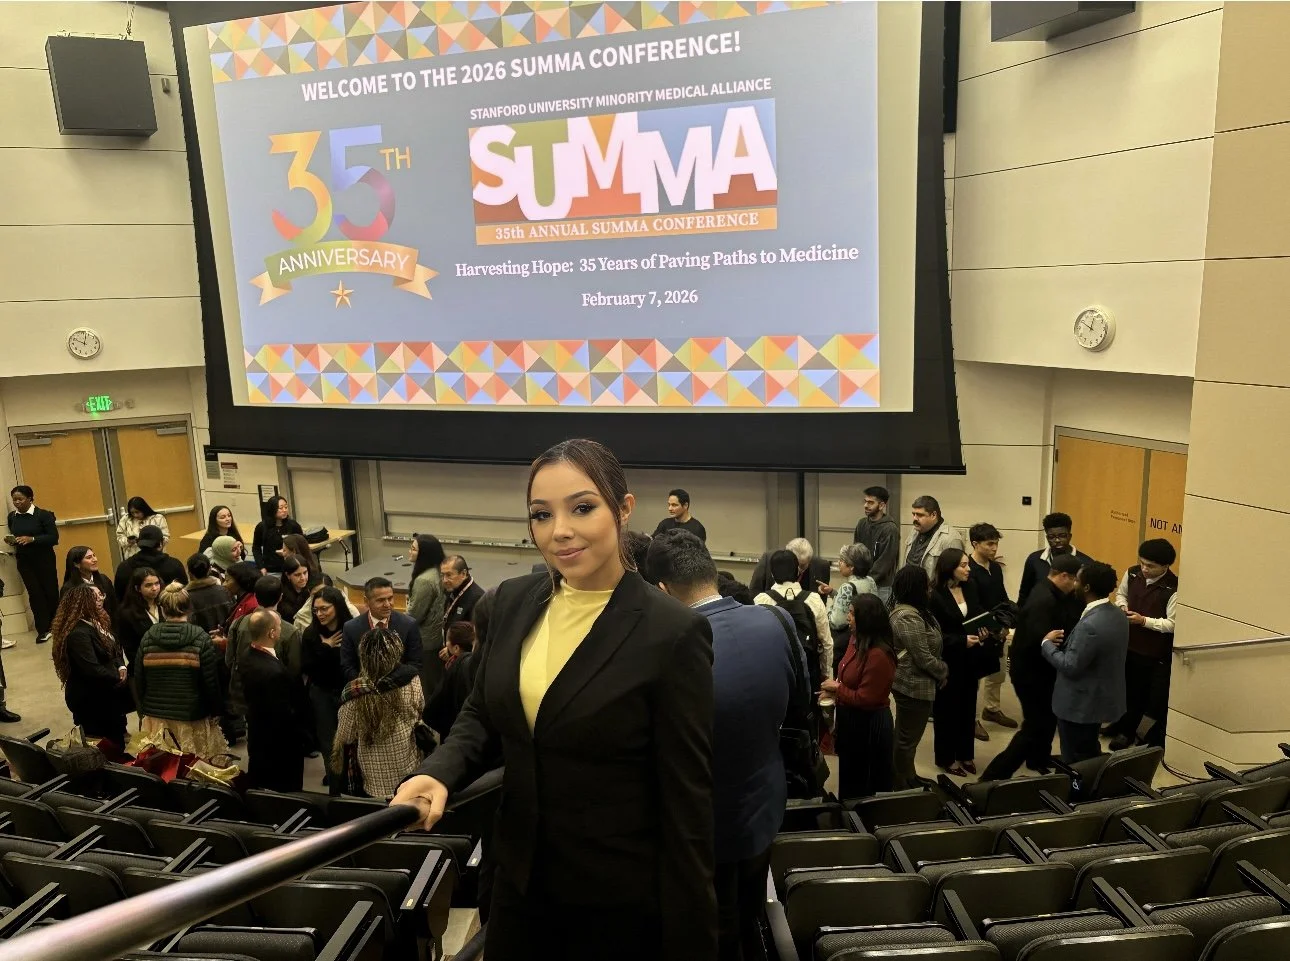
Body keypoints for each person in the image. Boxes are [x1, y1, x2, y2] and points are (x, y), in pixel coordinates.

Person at [391, 438, 716, 961]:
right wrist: (441, 770)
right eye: (542, 514)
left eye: (582, 508)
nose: (559, 530)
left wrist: (694, 938)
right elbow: (482, 708)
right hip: (516, 881)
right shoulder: (512, 601)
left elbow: (688, 804)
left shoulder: (672, 632)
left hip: (616, 902)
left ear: (624, 509)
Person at [647, 527, 797, 961]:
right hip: (765, 803)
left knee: (710, 929)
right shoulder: (776, 621)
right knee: (750, 914)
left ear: (662, 589)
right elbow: (798, 707)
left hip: (699, 824)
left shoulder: (667, 648)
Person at [980, 554, 1082, 781]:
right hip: (1032, 674)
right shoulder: (1044, 601)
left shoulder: (1050, 592)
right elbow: (1038, 641)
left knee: (1046, 720)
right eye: (1075, 580)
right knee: (1035, 725)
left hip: (1038, 671)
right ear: (1064, 576)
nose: (1076, 586)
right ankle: (994, 776)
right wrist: (1048, 641)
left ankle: (1038, 759)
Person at [1042, 561, 1129, 763]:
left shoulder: (1090, 625)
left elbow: (1070, 666)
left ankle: (1077, 793)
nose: (1074, 584)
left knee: (1075, 759)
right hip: (1100, 699)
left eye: (1077, 580)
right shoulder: (1117, 614)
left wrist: (1047, 644)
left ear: (1087, 587)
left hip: (1080, 705)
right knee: (1089, 749)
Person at [133, 583, 228, 758]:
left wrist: (143, 709)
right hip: (192, 715)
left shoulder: (148, 637)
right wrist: (217, 710)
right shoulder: (200, 638)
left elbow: (139, 678)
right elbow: (210, 682)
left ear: (163, 610)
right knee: (193, 768)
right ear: (188, 609)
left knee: (161, 766)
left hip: (156, 717)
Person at [927, 548, 998, 776]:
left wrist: (983, 631)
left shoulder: (970, 586)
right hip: (947, 660)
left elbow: (976, 615)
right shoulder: (934, 595)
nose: (968, 569)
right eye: (963, 566)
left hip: (970, 659)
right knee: (947, 711)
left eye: (968, 564)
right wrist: (960, 640)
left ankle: (965, 754)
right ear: (950, 568)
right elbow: (933, 635)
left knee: (968, 709)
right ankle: (947, 758)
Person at [334, 627, 425, 797]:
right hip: (409, 765)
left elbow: (345, 735)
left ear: (363, 655)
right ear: (396, 651)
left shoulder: (355, 692)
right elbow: (420, 710)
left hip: (374, 775)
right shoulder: (411, 679)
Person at [823, 593, 897, 800]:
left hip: (868, 727)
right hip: (852, 722)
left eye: (852, 614)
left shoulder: (879, 655)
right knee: (849, 778)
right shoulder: (855, 641)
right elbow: (847, 679)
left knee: (864, 785)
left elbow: (866, 699)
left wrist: (837, 689)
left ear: (866, 618)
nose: (848, 618)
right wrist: (834, 690)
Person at [1108, 539, 1179, 750]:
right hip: (1127, 644)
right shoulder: (1131, 573)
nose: (1145, 569)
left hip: (1153, 652)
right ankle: (1119, 724)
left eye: (1151, 566)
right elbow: (1121, 594)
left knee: (1141, 695)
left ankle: (1128, 733)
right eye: (1142, 563)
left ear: (1165, 566)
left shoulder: (1173, 588)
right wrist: (1122, 606)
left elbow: (1172, 624)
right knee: (1123, 689)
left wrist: (1143, 621)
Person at [889, 565, 947, 789]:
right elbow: (923, 657)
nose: (930, 590)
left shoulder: (919, 611)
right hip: (912, 685)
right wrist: (943, 670)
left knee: (907, 737)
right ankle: (901, 783)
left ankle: (907, 774)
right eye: (926, 586)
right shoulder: (907, 617)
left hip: (920, 682)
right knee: (906, 739)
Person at [51, 584, 128, 746]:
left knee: (118, 735)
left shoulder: (98, 621)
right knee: (106, 744)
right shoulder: (78, 634)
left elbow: (114, 649)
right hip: (91, 699)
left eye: (101, 595)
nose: (100, 599)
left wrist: (121, 666)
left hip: (107, 692)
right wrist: (118, 679)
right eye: (94, 597)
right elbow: (92, 669)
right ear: (82, 603)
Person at [239, 609, 306, 791]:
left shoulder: (247, 654)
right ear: (272, 633)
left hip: (257, 732)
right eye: (278, 626)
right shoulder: (273, 672)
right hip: (279, 744)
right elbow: (282, 713)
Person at [755, 549, 833, 694]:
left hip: (773, 675)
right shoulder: (813, 599)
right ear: (798, 572)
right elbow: (827, 642)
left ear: (772, 574)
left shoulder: (761, 600)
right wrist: (825, 674)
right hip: (808, 674)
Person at [227, 576, 304, 723]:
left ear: (255, 596)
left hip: (244, 693)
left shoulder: (238, 623)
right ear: (281, 597)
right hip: (278, 698)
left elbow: (229, 659)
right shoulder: (290, 631)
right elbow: (294, 669)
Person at [968, 523, 1017, 734]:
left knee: (997, 674)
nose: (994, 548)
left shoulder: (995, 568)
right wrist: (992, 626)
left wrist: (1006, 625)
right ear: (975, 544)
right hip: (979, 630)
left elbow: (1002, 598)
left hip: (997, 629)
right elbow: (973, 605)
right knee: (975, 678)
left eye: (996, 543)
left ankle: (992, 709)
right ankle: (972, 719)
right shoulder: (968, 569)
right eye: (990, 544)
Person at [302, 586, 351, 794]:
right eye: (316, 610)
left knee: (351, 741)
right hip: (321, 694)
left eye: (325, 609)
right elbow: (307, 667)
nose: (320, 614)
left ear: (337, 607)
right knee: (329, 744)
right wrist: (326, 648)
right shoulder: (311, 634)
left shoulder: (351, 629)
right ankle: (336, 788)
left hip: (347, 693)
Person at [341, 577, 423, 682]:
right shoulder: (351, 628)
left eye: (390, 598)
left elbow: (415, 664)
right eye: (380, 600)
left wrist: (387, 683)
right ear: (366, 601)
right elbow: (347, 666)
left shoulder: (409, 625)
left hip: (399, 687)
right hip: (366, 691)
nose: (387, 604)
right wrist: (367, 685)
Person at [6, 485, 59, 643]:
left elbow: (53, 538)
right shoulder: (12, 517)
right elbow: (16, 534)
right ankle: (42, 629)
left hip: (44, 559)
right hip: (24, 561)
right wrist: (14, 541)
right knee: (35, 594)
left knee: (50, 591)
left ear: (30, 498)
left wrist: (32, 539)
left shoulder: (43, 515)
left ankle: (57, 624)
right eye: (14, 499)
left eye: (20, 499)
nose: (17, 502)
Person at [1018, 512, 1092, 606]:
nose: (1057, 540)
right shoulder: (1034, 560)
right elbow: (1024, 595)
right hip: (1041, 617)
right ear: (1047, 538)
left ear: (1070, 536)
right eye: (1052, 537)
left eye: (1062, 536)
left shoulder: (1085, 563)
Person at [827, 543, 877, 675]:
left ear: (851, 567)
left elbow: (837, 622)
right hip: (867, 640)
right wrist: (833, 592)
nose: (839, 563)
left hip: (847, 644)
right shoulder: (871, 581)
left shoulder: (847, 587)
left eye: (842, 561)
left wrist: (826, 611)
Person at [426, 621, 480, 741]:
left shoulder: (454, 669)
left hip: (454, 732)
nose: (445, 645)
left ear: (456, 648)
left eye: (447, 641)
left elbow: (434, 707)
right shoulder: (480, 665)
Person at [406, 533, 447, 692]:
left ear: (424, 554)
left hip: (426, 643)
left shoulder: (424, 580)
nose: (410, 551)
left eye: (413, 549)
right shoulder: (438, 572)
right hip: (437, 639)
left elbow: (414, 616)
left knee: (427, 687)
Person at [853, 485, 901, 602]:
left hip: (881, 587)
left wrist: (865, 580)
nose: (865, 505)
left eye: (870, 502)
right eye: (865, 501)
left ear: (882, 505)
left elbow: (885, 562)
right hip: (861, 582)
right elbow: (855, 552)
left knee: (877, 618)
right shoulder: (861, 524)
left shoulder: (890, 529)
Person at [113, 525, 186, 601]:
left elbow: (119, 598)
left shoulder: (124, 567)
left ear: (139, 543)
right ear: (160, 544)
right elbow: (183, 595)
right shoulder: (175, 565)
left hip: (134, 611)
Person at [114, 567, 161, 675]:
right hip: (144, 667)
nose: (154, 588)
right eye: (148, 585)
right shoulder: (127, 613)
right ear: (137, 588)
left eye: (157, 583)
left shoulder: (165, 605)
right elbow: (130, 649)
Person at [904, 495, 965, 577]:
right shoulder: (916, 530)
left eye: (920, 515)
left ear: (933, 515)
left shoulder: (951, 538)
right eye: (913, 514)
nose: (915, 518)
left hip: (931, 589)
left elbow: (954, 575)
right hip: (908, 586)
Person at [748, 537, 831, 597]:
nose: (799, 569)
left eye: (803, 565)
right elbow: (754, 591)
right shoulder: (768, 559)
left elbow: (821, 603)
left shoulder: (822, 566)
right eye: (796, 564)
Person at [61, 545, 118, 623]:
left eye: (94, 555)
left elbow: (114, 607)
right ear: (76, 564)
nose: (95, 559)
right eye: (89, 557)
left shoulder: (104, 580)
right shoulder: (69, 588)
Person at [252, 495, 303, 575]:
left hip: (291, 568)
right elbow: (256, 548)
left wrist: (289, 552)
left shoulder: (293, 525)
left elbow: (301, 546)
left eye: (286, 507)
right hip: (271, 569)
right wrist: (261, 567)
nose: (284, 510)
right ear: (272, 509)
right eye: (281, 508)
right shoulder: (262, 526)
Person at [184, 553, 233, 636]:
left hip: (200, 644)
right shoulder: (225, 591)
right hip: (224, 641)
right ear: (209, 570)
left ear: (189, 573)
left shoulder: (186, 597)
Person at [441, 555, 484, 634]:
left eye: (449, 575)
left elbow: (475, 635)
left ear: (463, 574)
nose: (444, 580)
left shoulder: (477, 598)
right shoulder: (451, 588)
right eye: (442, 575)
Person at [277, 554, 315, 624]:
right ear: (288, 575)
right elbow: (292, 617)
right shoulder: (281, 595)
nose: (303, 578)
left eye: (305, 572)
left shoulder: (314, 587)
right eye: (297, 575)